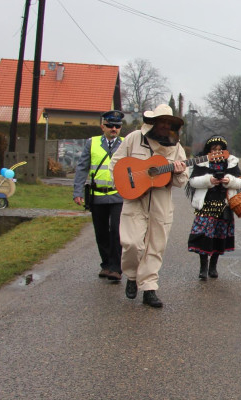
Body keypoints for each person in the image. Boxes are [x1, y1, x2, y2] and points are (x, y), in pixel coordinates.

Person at [110, 104, 189, 309]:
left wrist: (179, 172)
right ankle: (131, 276)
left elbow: (182, 182)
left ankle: (149, 288)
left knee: (156, 245)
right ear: (153, 121)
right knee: (132, 243)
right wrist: (126, 185)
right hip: (135, 199)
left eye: (167, 122)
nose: (164, 125)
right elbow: (116, 164)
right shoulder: (134, 138)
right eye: (161, 121)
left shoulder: (176, 146)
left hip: (161, 200)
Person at [73, 110, 125, 282]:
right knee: (101, 232)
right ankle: (106, 265)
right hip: (98, 195)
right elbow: (82, 168)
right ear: (102, 126)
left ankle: (116, 268)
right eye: (110, 125)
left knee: (117, 231)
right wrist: (78, 191)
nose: (114, 129)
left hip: (118, 195)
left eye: (117, 126)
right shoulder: (92, 143)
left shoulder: (126, 144)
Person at [188, 136, 241, 280]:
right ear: (209, 150)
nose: (217, 152)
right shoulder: (201, 162)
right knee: (203, 235)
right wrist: (209, 180)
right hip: (206, 205)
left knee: (219, 236)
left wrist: (229, 181)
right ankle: (203, 267)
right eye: (214, 149)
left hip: (225, 204)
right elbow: (192, 181)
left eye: (220, 149)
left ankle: (213, 266)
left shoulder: (231, 162)